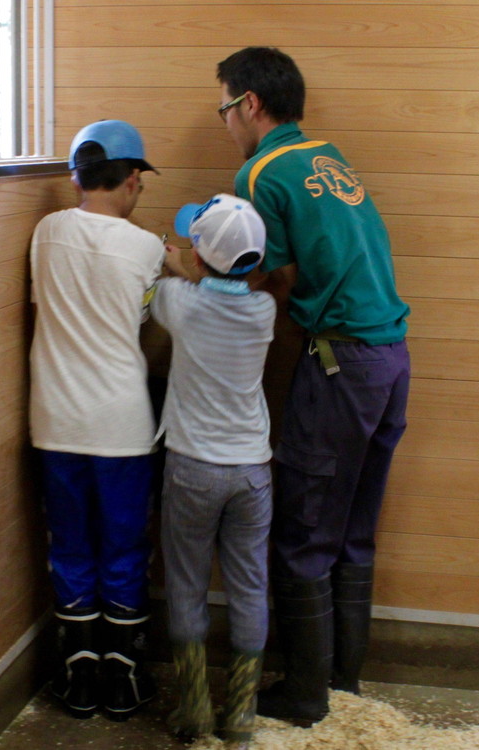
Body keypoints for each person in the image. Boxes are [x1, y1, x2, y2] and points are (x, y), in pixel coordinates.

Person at [216, 46, 412, 726]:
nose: (226, 125)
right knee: (353, 531)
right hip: (390, 357)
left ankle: (304, 696)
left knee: (303, 529)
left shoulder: (261, 170)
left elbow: (261, 275)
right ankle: (343, 684)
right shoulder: (327, 155)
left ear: (249, 104)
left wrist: (189, 272)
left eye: (224, 109)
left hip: (341, 362)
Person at [28, 119, 163, 721]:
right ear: (132, 179)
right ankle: (125, 675)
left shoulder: (45, 232)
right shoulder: (146, 247)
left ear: (77, 176)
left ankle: (78, 675)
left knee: (71, 545)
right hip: (122, 425)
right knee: (125, 546)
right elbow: (146, 316)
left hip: (54, 420)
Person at [151, 194, 276, 745]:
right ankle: (242, 714)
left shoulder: (180, 302)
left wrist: (169, 257)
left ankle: (195, 710)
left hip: (193, 468)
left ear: (199, 260)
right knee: (250, 586)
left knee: (185, 584)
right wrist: (198, 263)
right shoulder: (265, 312)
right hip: (252, 471)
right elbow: (223, 278)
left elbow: (162, 284)